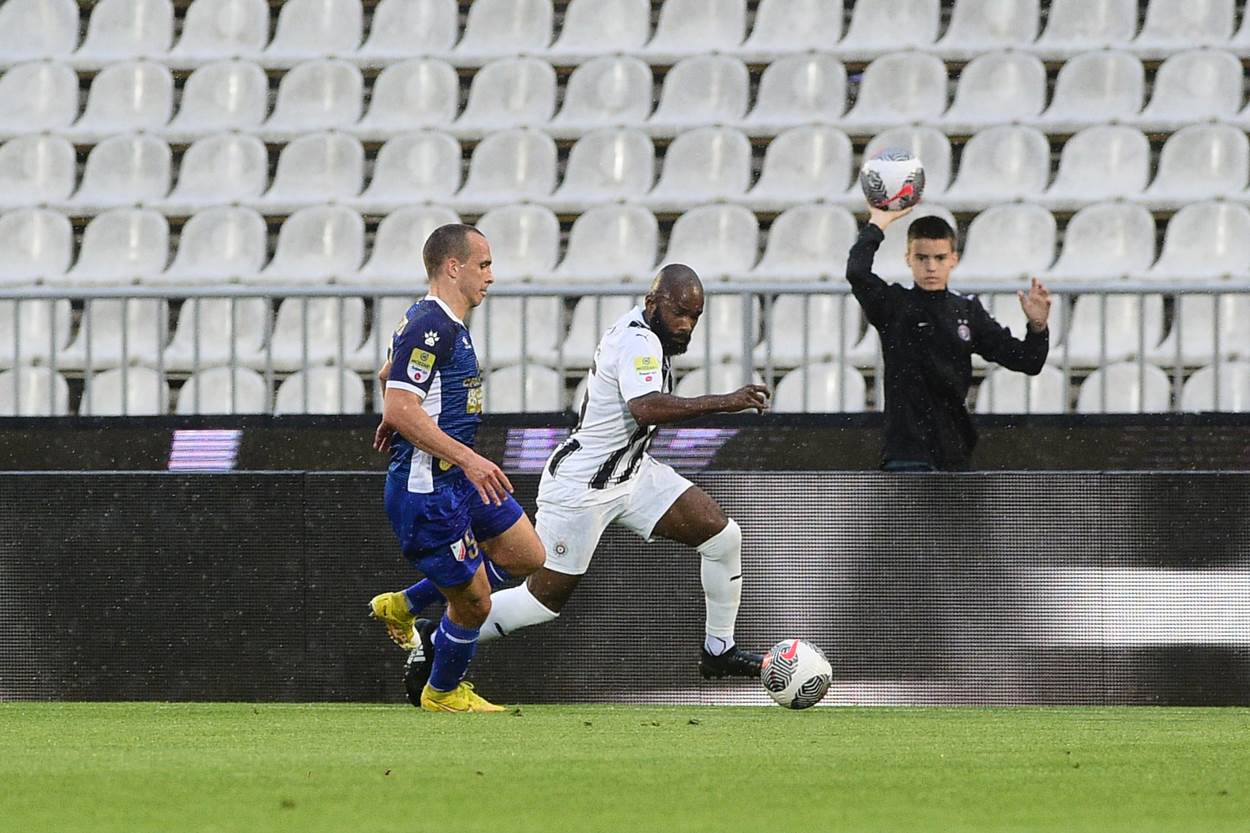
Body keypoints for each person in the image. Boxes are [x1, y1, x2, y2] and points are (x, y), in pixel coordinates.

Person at [402, 264, 774, 699]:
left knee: (723, 537)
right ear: (652, 304)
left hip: (631, 473)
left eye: (694, 316)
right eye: (678, 313)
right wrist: (726, 401)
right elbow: (646, 408)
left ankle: (719, 651)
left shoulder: (646, 332)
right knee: (540, 603)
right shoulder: (638, 341)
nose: (685, 325)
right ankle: (438, 634)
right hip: (582, 487)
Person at [367, 223, 546, 713]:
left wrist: (397, 406)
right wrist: (466, 456)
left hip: (456, 479)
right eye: (483, 265)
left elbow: (392, 378)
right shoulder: (432, 324)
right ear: (453, 267)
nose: (491, 276)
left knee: (527, 555)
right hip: (429, 487)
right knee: (475, 603)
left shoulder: (441, 323)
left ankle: (405, 604)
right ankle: (442, 692)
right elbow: (403, 405)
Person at [846, 204, 1052, 471]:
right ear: (908, 258)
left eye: (940, 258)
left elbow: (1027, 361)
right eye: (922, 258)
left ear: (953, 259)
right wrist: (878, 222)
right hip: (907, 450)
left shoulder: (967, 311)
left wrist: (1038, 326)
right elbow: (856, 272)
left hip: (953, 449)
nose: (931, 266)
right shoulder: (893, 305)